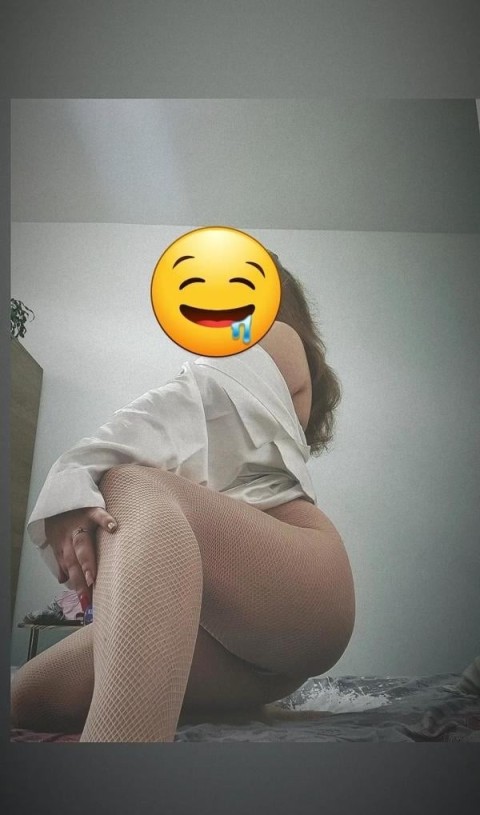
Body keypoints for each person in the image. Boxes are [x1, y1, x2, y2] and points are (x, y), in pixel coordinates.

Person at [11, 252, 355, 742]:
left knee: (130, 483)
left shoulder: (273, 335)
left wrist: (75, 471)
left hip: (296, 589)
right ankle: (241, 710)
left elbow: (177, 408)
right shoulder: (243, 368)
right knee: (27, 697)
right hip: (235, 646)